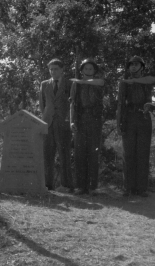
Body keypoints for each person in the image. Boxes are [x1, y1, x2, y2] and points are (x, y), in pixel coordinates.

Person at [116, 56, 155, 197]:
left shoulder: (146, 80)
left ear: (142, 66)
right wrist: (119, 122)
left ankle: (141, 188)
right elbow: (121, 103)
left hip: (144, 117)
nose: (133, 67)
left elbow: (154, 79)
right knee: (128, 154)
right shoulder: (124, 83)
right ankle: (128, 188)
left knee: (142, 153)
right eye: (131, 65)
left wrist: (133, 80)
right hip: (128, 117)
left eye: (136, 64)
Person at [69, 58, 105, 195]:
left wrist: (81, 80)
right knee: (79, 153)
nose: (88, 71)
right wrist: (72, 121)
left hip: (95, 120)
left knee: (93, 153)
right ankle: (80, 186)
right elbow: (72, 104)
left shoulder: (98, 82)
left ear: (95, 71)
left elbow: (100, 82)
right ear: (82, 70)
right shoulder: (76, 85)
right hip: (80, 119)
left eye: (91, 69)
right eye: (86, 69)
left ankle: (92, 187)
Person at [39, 58, 74, 193]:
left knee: (64, 153)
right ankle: (48, 184)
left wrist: (67, 119)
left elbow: (72, 104)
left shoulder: (69, 83)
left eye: (56, 69)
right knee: (47, 154)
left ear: (62, 70)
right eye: (51, 69)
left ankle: (66, 185)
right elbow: (42, 104)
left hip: (63, 123)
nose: (53, 72)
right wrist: (46, 118)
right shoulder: (44, 84)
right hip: (48, 123)